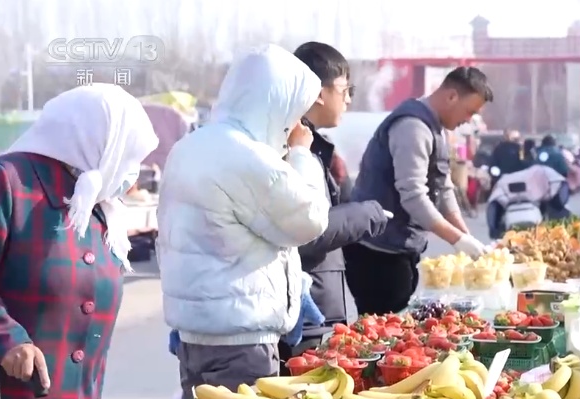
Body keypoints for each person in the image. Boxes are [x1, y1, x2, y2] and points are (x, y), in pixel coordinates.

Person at [158, 44, 331, 396]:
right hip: (239, 345)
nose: (292, 124)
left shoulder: (191, 146)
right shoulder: (243, 156)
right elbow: (309, 219)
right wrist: (300, 153)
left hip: (196, 338)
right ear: (274, 102)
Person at [0, 84, 158, 399]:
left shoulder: (98, 205)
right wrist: (6, 339)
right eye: (127, 155)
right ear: (100, 141)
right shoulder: (8, 183)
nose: (132, 174)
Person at [346, 67, 494, 315]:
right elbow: (413, 196)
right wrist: (456, 239)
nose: (468, 120)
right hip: (378, 254)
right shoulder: (413, 128)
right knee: (383, 334)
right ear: (451, 97)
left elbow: (443, 186)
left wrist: (465, 235)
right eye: (469, 111)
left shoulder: (436, 128)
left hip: (400, 251)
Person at [278, 41, 390, 364]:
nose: (349, 99)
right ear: (317, 91)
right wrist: (364, 214)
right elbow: (309, 232)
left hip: (326, 307)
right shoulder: (292, 150)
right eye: (345, 89)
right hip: (311, 315)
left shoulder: (309, 145)